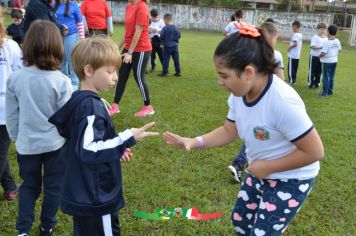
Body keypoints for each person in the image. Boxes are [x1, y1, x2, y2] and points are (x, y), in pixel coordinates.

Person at [163, 23, 324, 235]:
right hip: (261, 170)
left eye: (224, 75)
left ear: (248, 72)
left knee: (263, 232)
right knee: (241, 221)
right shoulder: (239, 96)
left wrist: (269, 167)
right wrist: (194, 141)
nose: (220, 82)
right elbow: (229, 131)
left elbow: (314, 152)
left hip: (293, 177)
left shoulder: (281, 101)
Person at [48, 36, 159, 236]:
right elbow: (89, 148)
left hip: (85, 191)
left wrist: (116, 149)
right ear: (89, 71)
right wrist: (127, 137)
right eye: (109, 71)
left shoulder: (80, 100)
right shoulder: (91, 107)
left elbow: (87, 140)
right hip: (96, 195)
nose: (115, 77)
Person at [5, 20, 73, 236]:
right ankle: (47, 226)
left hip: (27, 145)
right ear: (57, 46)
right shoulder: (63, 81)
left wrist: (17, 137)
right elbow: (67, 119)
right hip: (56, 146)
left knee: (29, 186)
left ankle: (23, 230)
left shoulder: (15, 79)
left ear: (28, 44)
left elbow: (11, 115)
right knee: (53, 188)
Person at [227, 21, 286, 183]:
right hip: (267, 103)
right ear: (275, 37)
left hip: (254, 100)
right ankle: (243, 164)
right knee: (259, 135)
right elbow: (281, 80)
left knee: (256, 134)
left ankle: (240, 164)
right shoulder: (276, 54)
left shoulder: (252, 53)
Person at [110, 0, 154, 117]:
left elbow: (138, 31)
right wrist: (116, 48)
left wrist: (130, 52)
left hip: (142, 49)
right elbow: (128, 32)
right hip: (129, 47)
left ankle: (148, 107)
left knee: (138, 76)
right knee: (122, 75)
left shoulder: (142, 7)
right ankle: (115, 106)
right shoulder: (129, 6)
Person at [0, 10, 22, 201]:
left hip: (5, 111)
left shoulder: (11, 47)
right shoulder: (13, 46)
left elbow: (19, 78)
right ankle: (10, 188)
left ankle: (10, 188)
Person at [54, 0, 85, 91]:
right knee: (60, 59)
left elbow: (80, 22)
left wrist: (82, 38)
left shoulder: (73, 5)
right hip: (58, 35)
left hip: (71, 36)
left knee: (71, 59)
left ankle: (74, 83)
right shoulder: (53, 4)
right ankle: (62, 82)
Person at [319, 24, 341, 96]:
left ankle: (324, 93)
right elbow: (339, 49)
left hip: (327, 62)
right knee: (331, 76)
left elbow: (323, 53)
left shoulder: (326, 42)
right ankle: (330, 91)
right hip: (334, 61)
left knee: (326, 77)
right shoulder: (337, 41)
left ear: (328, 32)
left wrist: (319, 56)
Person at [308, 22, 327, 89]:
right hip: (314, 56)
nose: (323, 31)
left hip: (322, 58)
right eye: (321, 29)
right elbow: (312, 46)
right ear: (318, 29)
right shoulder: (314, 37)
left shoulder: (326, 38)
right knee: (312, 71)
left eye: (324, 29)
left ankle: (317, 83)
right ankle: (311, 83)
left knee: (319, 71)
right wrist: (321, 47)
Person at [285, 20, 302, 85]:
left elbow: (295, 44)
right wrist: (288, 42)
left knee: (291, 68)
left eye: (293, 27)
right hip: (297, 55)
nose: (292, 29)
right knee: (294, 68)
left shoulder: (296, 35)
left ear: (295, 27)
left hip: (293, 55)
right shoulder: (300, 35)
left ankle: (291, 81)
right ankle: (293, 80)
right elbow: (295, 42)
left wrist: (289, 48)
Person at [149, 8, 164, 73]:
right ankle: (152, 67)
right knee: (152, 55)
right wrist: (150, 30)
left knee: (161, 55)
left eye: (156, 17)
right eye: (153, 17)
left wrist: (158, 30)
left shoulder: (161, 21)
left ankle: (165, 68)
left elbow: (164, 30)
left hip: (159, 41)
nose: (154, 18)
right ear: (151, 16)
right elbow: (146, 29)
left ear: (158, 15)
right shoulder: (149, 21)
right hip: (151, 40)